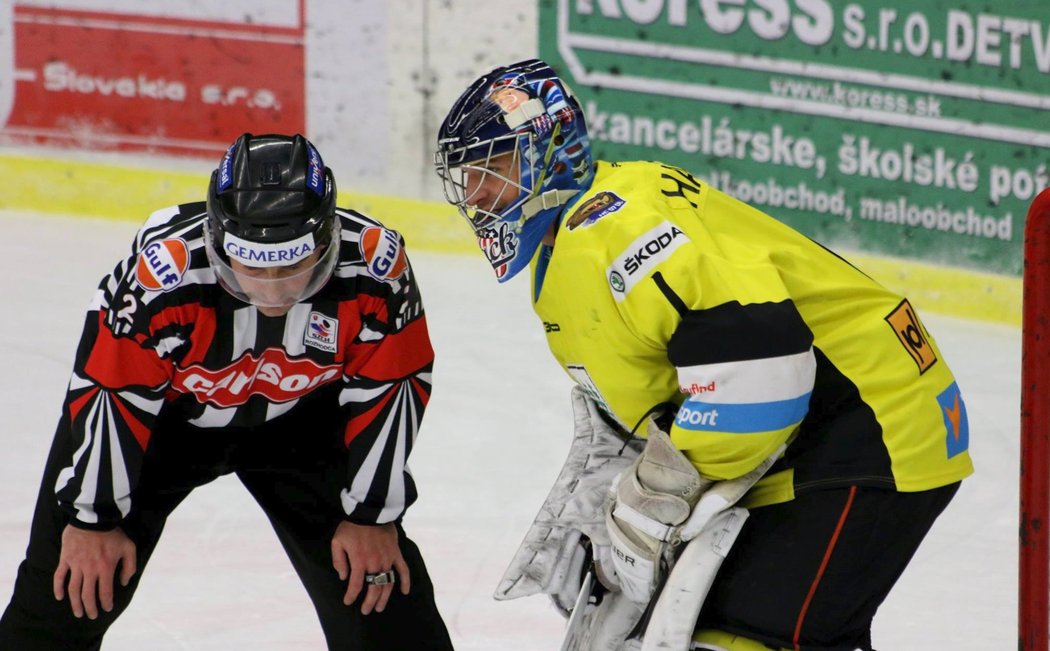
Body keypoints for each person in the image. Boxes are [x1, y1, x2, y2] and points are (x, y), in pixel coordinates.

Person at [434, 59, 973, 651]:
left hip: (874, 423)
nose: (480, 195)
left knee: (741, 636)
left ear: (552, 148)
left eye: (495, 168)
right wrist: (616, 491)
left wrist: (652, 501)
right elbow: (658, 394)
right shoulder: (573, 243)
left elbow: (760, 379)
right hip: (814, 436)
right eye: (469, 177)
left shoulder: (622, 232)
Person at [0, 133, 454, 650]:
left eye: (291, 267)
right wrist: (93, 519)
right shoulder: (164, 276)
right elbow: (113, 389)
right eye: (254, 267)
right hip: (163, 427)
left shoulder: (375, 266)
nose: (274, 291)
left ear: (326, 239)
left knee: (383, 600)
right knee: (63, 595)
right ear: (221, 242)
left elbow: (394, 385)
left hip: (300, 424)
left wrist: (371, 515)